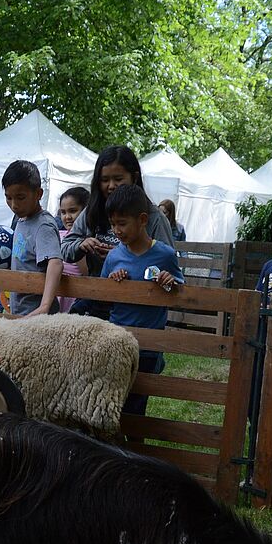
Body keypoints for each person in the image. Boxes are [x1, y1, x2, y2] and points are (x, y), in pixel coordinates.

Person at [61, 145, 175, 319]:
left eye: (118, 179)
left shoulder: (155, 218)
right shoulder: (92, 211)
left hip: (135, 310)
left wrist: (125, 257)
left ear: (134, 177)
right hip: (96, 298)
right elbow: (65, 248)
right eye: (104, 180)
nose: (111, 186)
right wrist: (81, 245)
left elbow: (166, 264)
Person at [101, 184, 184, 416]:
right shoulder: (114, 256)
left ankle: (134, 437)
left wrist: (169, 282)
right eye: (112, 224)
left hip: (149, 343)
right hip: (117, 339)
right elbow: (101, 293)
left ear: (143, 220)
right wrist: (113, 281)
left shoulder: (165, 254)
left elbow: (180, 289)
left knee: (137, 403)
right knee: (114, 400)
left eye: (122, 223)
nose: (116, 230)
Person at [4, 160, 64, 317]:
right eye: (8, 197)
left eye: (20, 197)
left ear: (38, 194)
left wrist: (44, 306)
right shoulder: (20, 220)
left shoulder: (43, 225)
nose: (14, 205)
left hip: (38, 318)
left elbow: (55, 262)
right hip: (21, 312)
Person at [56, 186, 89, 313]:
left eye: (73, 211)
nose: (67, 217)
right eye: (63, 212)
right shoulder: (58, 235)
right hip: (56, 295)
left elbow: (86, 273)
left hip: (75, 297)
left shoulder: (86, 241)